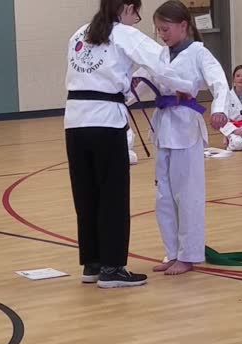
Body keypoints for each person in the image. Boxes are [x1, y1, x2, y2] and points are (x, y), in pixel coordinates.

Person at [64, 0, 192, 288]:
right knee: (112, 195)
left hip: (74, 122)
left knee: (86, 196)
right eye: (137, 13)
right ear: (127, 7)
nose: (137, 20)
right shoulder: (123, 33)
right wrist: (186, 85)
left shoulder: (78, 34)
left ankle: (92, 264)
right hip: (105, 121)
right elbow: (161, 61)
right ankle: (112, 268)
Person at [132, 0, 228, 275]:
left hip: (186, 127)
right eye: (159, 30)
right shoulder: (160, 55)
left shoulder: (199, 53)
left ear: (184, 25)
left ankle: (189, 254)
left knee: (188, 195)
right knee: (163, 196)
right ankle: (172, 251)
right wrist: (124, 92)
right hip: (163, 127)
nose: (162, 34)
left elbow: (219, 82)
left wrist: (219, 110)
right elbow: (140, 81)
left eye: (166, 28)